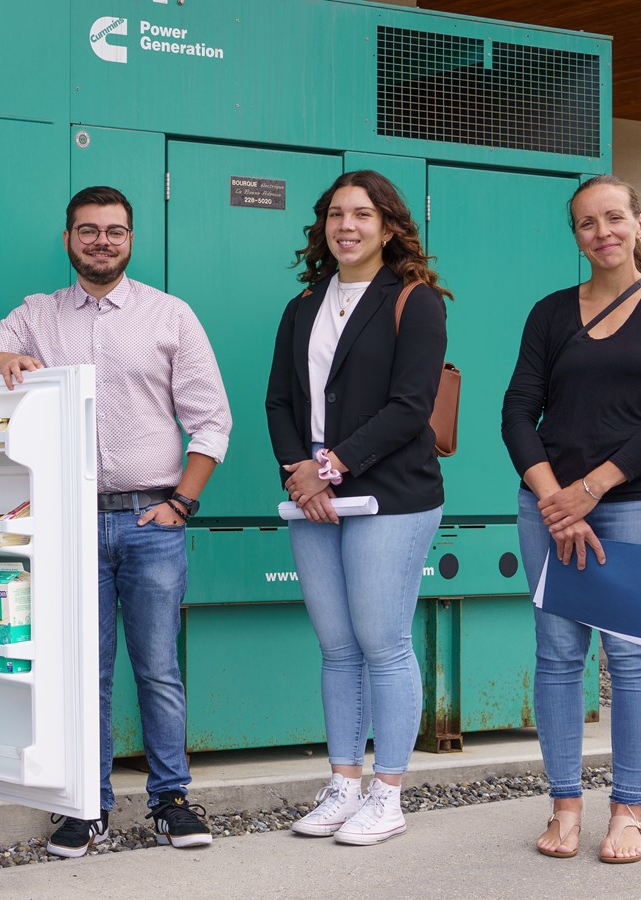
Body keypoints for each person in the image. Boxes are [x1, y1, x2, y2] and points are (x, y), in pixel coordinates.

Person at [0, 185, 231, 857]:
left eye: (114, 231)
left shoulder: (170, 315)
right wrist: (4, 360)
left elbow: (212, 420)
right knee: (85, 670)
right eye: (88, 230)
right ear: (68, 238)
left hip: (150, 519)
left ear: (131, 239)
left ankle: (171, 801)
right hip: (69, 525)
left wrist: (181, 504)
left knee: (158, 667)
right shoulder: (38, 315)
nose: (102, 241)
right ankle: (86, 805)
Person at [501, 174, 641, 864]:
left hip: (637, 502)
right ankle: (563, 804)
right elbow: (516, 413)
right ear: (577, 235)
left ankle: (628, 808)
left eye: (614, 218)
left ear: (640, 224)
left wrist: (590, 489)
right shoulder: (551, 312)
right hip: (548, 503)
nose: (602, 232)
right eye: (587, 223)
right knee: (558, 658)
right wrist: (557, 499)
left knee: (629, 655)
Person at [265, 170, 450, 846]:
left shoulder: (415, 301)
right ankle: (343, 784)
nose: (347, 226)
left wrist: (331, 468)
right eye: (336, 215)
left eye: (362, 215)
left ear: (389, 226)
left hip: (391, 494)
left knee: (383, 642)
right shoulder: (303, 305)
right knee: (337, 647)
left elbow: (410, 406)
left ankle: (388, 793)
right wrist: (300, 475)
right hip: (313, 496)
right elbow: (280, 401)